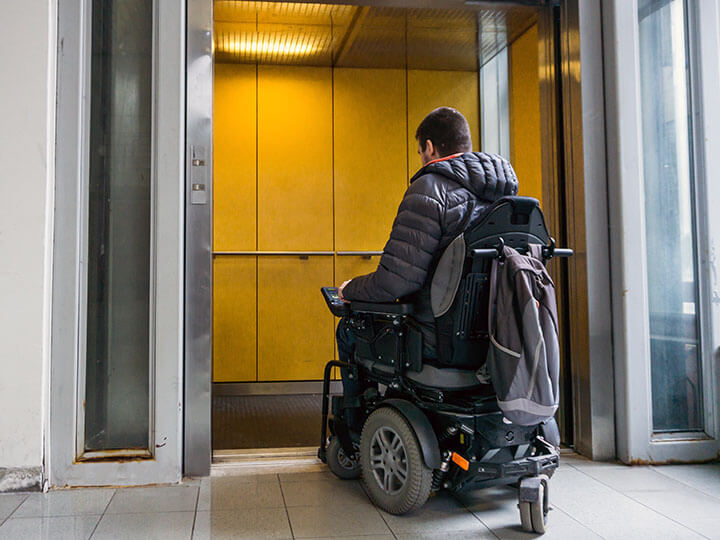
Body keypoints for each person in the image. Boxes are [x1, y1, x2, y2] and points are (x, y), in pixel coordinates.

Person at [336, 106, 519, 428]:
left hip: (438, 341)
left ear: (430, 148)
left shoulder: (430, 188)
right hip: (500, 337)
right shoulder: (507, 197)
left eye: (420, 151)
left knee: (351, 327)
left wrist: (349, 289)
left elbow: (397, 283)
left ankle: (354, 431)